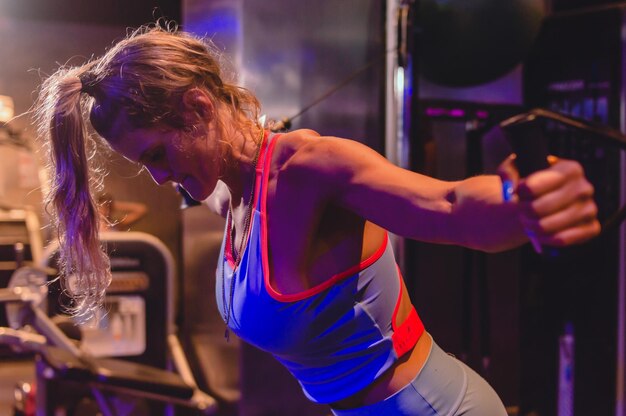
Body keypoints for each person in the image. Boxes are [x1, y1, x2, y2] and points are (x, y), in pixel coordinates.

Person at [34, 25, 600, 415]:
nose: (158, 178)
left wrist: (522, 203)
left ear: (199, 108)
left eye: (158, 154)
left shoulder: (311, 168)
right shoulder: (226, 195)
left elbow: (451, 207)